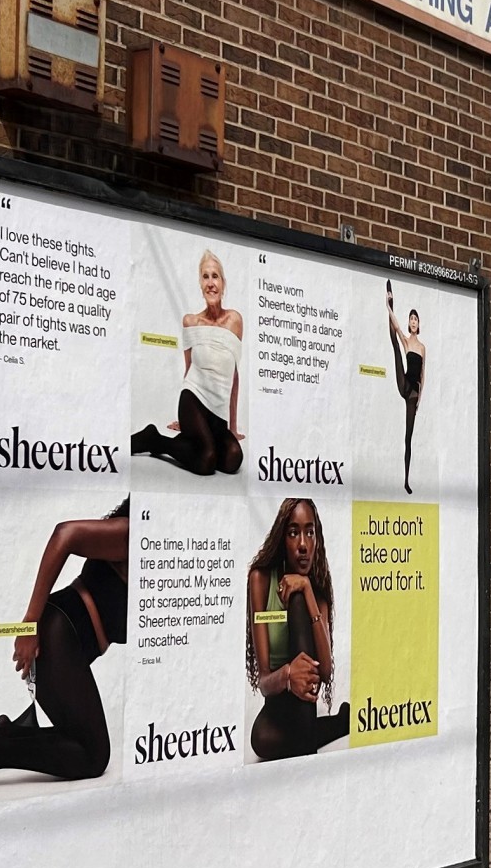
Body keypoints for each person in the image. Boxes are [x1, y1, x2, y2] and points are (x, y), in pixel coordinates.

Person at [0, 506, 130, 784]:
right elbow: (65, 534)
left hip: (69, 645)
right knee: (93, 756)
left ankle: (10, 734)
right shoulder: (134, 534)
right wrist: (30, 623)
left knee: (81, 743)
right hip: (55, 636)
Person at [246, 496, 348, 759]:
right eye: (293, 533)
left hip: (307, 702)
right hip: (280, 698)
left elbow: (324, 672)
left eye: (310, 532)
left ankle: (314, 736)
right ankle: (340, 723)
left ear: (317, 539)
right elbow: (265, 681)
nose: (303, 544)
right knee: (261, 740)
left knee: (300, 601)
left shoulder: (319, 594)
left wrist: (307, 590)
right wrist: (289, 674)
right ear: (282, 538)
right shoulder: (260, 580)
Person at [131, 249, 244, 476]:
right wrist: (186, 418)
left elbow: (234, 375)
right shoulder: (191, 322)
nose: (210, 283)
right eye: (205, 277)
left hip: (218, 410)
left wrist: (232, 426)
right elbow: (189, 367)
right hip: (193, 398)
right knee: (206, 460)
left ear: (223, 282)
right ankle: (153, 439)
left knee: (233, 459)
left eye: (215, 276)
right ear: (200, 284)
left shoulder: (235, 320)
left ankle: (189, 440)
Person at [385, 280, 426, 495]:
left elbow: (423, 375)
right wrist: (390, 308)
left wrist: (419, 400)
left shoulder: (422, 347)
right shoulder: (408, 343)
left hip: (414, 392)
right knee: (394, 343)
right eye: (410, 318)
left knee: (407, 437)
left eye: (415, 319)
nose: (412, 322)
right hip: (404, 383)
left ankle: (406, 480)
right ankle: (391, 301)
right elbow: (397, 328)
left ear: (419, 324)